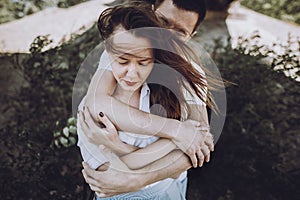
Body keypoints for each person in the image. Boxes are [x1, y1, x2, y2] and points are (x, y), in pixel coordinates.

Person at [79, 0, 216, 198]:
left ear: (191, 36)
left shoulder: (191, 73)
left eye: (179, 32)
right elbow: (97, 102)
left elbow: (198, 144)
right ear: (152, 13)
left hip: (164, 189)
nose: (166, 34)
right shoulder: (123, 51)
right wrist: (175, 131)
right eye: (163, 21)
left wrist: (135, 177)